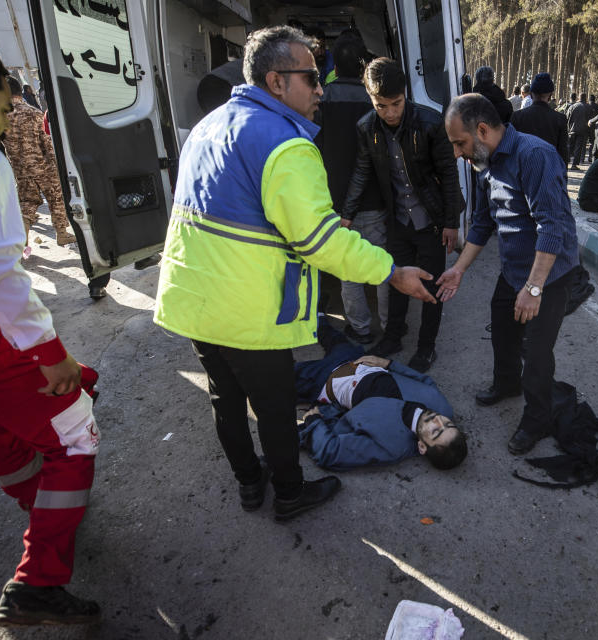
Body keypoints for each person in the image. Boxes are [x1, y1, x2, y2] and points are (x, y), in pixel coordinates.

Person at [153, 26, 436, 522]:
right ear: (276, 81)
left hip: (192, 297)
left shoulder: (209, 125)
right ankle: (288, 493)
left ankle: (249, 484)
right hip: (246, 307)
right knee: (276, 406)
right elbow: (319, 240)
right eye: (311, 77)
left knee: (225, 399)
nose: (321, 88)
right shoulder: (285, 144)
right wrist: (390, 270)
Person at [0, 29, 101, 626]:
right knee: (76, 428)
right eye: (4, 109)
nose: (8, 125)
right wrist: (51, 353)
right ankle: (39, 579)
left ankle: (46, 510)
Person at [438, 94, 579, 456]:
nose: (457, 153)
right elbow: (484, 221)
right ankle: (506, 385)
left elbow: (552, 227)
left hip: (547, 276)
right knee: (502, 328)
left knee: (536, 353)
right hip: (515, 269)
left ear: (482, 130)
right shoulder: (484, 162)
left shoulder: (534, 156)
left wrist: (533, 289)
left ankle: (537, 419)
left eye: (460, 143)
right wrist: (458, 270)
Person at [342, 57, 463, 373]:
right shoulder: (366, 127)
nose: (391, 113)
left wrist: (452, 222)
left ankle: (426, 347)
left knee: (433, 285)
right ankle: (393, 336)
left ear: (405, 94)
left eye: (396, 104)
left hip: (432, 222)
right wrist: (347, 214)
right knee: (395, 281)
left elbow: (449, 174)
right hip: (397, 222)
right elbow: (362, 171)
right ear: (371, 99)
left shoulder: (430, 122)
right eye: (382, 106)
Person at [293, 322, 467, 470]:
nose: (438, 420)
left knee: (279, 375)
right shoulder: (443, 408)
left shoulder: (390, 446)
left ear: (422, 446)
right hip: (359, 360)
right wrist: (388, 363)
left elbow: (331, 451)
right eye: (448, 423)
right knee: (333, 337)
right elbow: (424, 380)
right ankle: (318, 314)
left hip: (325, 381)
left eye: (436, 431)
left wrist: (314, 422)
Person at [315, 34, 387, 345]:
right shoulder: (376, 101)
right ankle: (390, 323)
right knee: (382, 263)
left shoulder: (320, 100)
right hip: (375, 199)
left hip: (334, 201)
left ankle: (359, 327)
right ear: (363, 66)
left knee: (347, 266)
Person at [2, 76, 76, 248]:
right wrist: (56, 165)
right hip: (43, 165)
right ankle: (62, 234)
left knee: (27, 201)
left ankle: (22, 236)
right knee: (55, 197)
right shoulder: (34, 113)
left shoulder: (1, 117)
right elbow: (47, 143)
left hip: (20, 168)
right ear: (19, 91)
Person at [510, 72, 568, 164]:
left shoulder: (517, 116)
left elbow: (510, 149)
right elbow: (563, 152)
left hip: (522, 171)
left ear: (532, 94)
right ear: (550, 95)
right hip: (549, 171)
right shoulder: (560, 119)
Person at [566, 92, 591, 169]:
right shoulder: (588, 107)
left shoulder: (573, 106)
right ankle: (574, 164)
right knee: (578, 147)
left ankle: (565, 163)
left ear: (578, 98)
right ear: (585, 98)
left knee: (569, 146)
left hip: (571, 129)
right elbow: (590, 119)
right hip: (582, 130)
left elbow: (567, 117)